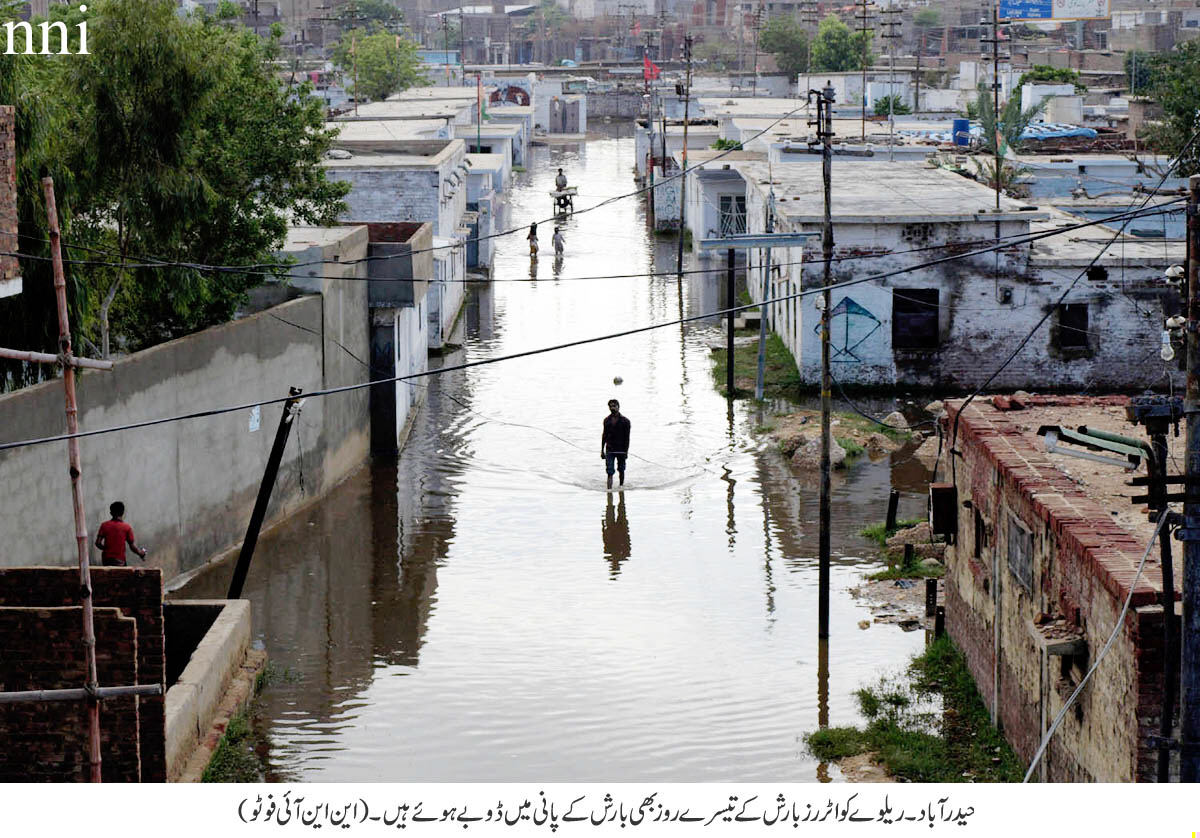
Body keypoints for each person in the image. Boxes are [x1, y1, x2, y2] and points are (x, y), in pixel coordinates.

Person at [95, 501, 146, 567]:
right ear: (123, 513)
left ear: (111, 513)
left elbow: (98, 543)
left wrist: (107, 549)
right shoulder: (127, 528)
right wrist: (141, 553)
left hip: (106, 560)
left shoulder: (104, 525)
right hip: (120, 560)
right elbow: (132, 546)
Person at [601, 399, 631, 490]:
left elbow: (627, 438)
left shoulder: (625, 421)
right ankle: (609, 490)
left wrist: (626, 452)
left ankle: (621, 487)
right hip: (610, 449)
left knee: (621, 469)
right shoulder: (606, 420)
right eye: (610, 406)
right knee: (610, 471)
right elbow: (604, 435)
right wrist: (602, 450)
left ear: (618, 407)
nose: (612, 408)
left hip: (621, 449)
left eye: (614, 406)